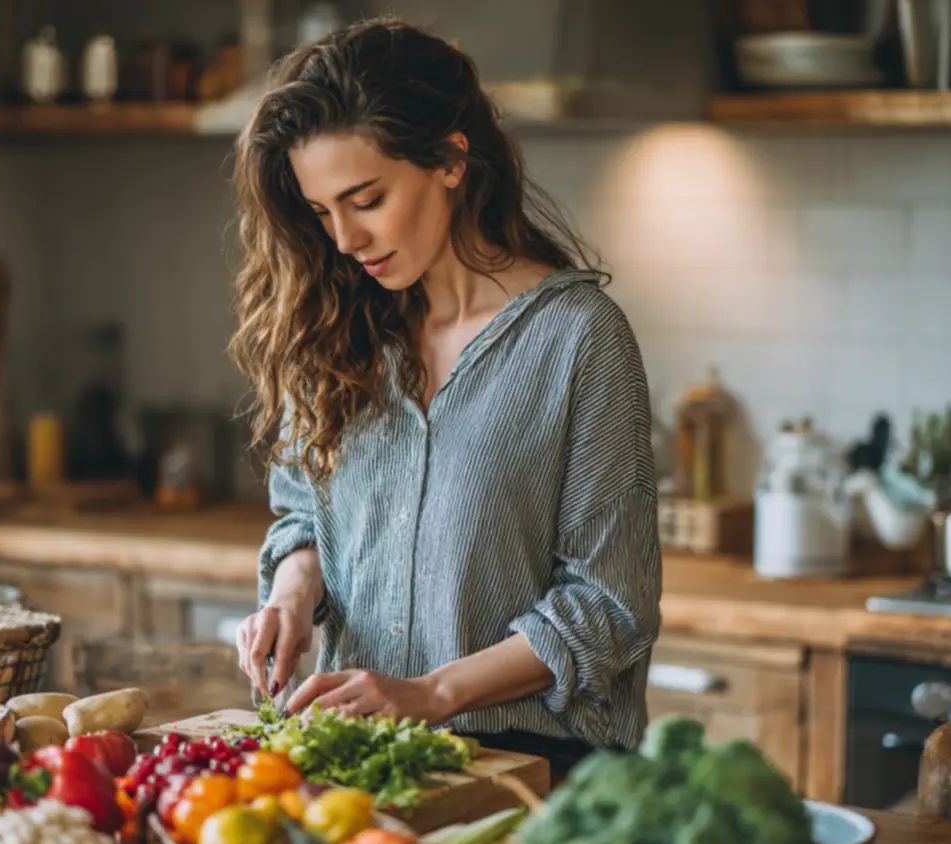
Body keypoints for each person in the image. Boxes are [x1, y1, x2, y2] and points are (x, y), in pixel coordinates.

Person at [228, 17, 661, 773]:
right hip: (364, 764)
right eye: (322, 211)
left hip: (532, 773)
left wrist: (432, 692)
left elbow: (610, 604)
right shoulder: (335, 326)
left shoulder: (578, 339)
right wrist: (293, 595)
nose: (344, 240)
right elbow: (304, 510)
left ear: (451, 160)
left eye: (365, 200)